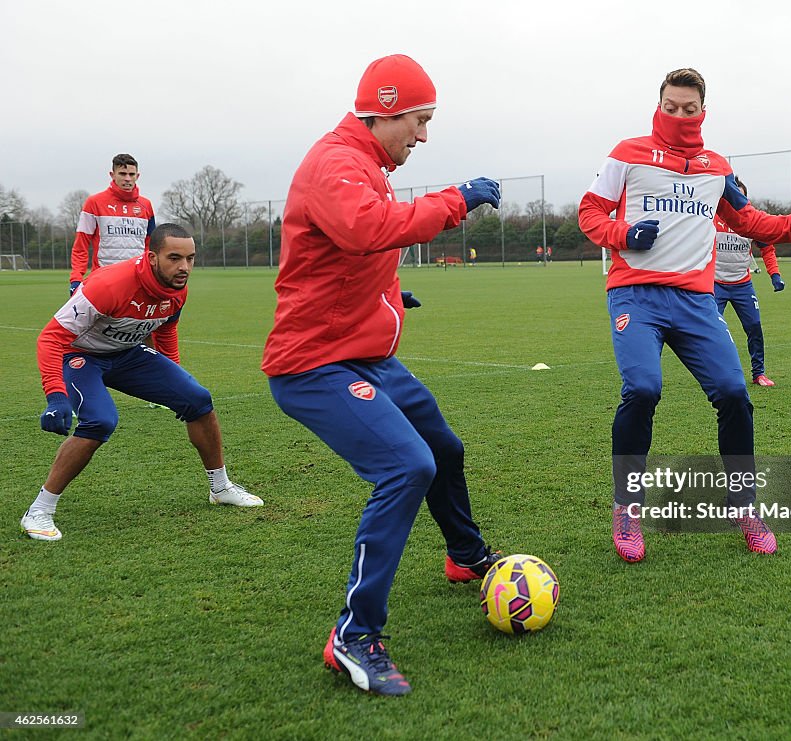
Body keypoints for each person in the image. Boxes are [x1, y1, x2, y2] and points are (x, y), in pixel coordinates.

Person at [262, 54, 504, 697]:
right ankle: (354, 635)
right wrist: (456, 201)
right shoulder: (337, 162)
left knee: (442, 448)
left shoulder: (368, 163)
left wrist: (392, 297)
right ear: (386, 109)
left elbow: (354, 255)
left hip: (364, 351)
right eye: (418, 121)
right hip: (314, 363)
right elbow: (367, 230)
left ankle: (465, 557)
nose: (422, 137)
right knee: (407, 466)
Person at [578, 67, 791, 562]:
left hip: (697, 303)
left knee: (734, 394)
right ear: (658, 105)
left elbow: (749, 221)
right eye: (671, 106)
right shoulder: (627, 154)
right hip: (636, 296)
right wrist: (623, 234)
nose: (679, 115)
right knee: (642, 389)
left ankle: (744, 506)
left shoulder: (715, 167)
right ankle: (627, 507)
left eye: (689, 108)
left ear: (703, 111)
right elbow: (589, 212)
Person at [20, 223, 262, 543]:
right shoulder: (109, 285)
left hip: (128, 355)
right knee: (100, 420)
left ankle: (221, 488)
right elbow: (51, 339)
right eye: (174, 258)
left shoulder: (177, 287)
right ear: (151, 257)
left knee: (197, 400)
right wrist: (55, 396)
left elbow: (165, 330)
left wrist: (174, 378)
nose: (184, 267)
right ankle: (39, 510)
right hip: (81, 356)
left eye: (190, 258)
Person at [714, 176, 784, 387]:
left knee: (754, 326)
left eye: (741, 198)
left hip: (742, 285)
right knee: (714, 330)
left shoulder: (751, 223)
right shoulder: (710, 218)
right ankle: (717, 373)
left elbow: (767, 249)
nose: (737, 202)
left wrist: (775, 275)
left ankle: (759, 373)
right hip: (714, 284)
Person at [69, 154, 156, 296]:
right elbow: (81, 245)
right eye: (122, 173)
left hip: (137, 281)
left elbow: (150, 246)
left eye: (131, 174)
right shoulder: (94, 202)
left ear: (137, 176)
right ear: (112, 175)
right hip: (103, 281)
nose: (127, 178)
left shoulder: (146, 205)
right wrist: (76, 278)